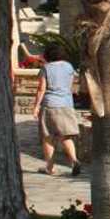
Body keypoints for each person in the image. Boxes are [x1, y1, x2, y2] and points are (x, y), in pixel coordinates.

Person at [34, 46, 83, 177]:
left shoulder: (46, 68)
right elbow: (71, 84)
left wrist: (36, 106)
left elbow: (41, 89)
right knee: (65, 136)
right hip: (66, 104)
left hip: (50, 105)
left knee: (47, 136)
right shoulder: (68, 66)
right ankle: (74, 160)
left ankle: (49, 167)